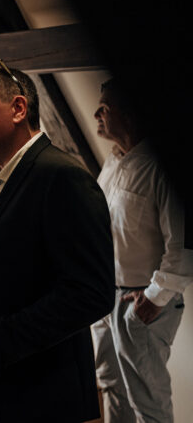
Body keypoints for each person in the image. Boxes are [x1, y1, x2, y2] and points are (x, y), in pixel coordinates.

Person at [0, 60, 114, 422]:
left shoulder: (62, 178)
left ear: (18, 109)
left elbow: (91, 293)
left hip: (38, 394)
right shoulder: (3, 177)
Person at [91, 78, 191, 423]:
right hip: (106, 298)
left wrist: (155, 296)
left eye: (105, 108)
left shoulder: (163, 167)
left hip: (142, 304)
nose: (96, 114)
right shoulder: (115, 161)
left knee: (147, 401)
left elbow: (182, 244)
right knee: (111, 389)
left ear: (130, 114)